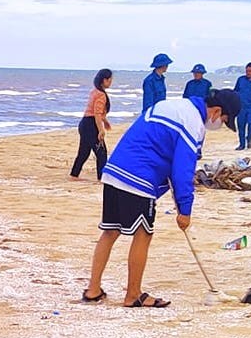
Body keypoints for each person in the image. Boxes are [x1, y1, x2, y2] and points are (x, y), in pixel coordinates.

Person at [84, 87, 240, 309]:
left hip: (114, 170)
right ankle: (133, 294)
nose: (220, 124)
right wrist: (185, 211)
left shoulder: (173, 105)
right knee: (143, 233)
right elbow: (182, 171)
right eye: (224, 120)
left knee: (110, 231)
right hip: (139, 177)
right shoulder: (192, 122)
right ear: (215, 111)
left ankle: (93, 290)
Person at [70, 69, 113, 180]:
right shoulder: (101, 95)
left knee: (84, 152)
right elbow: (96, 114)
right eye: (110, 79)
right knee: (101, 153)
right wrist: (101, 130)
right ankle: (102, 178)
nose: (111, 81)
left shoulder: (95, 91)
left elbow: (96, 112)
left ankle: (74, 175)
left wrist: (105, 122)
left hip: (85, 123)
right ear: (104, 80)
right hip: (90, 125)